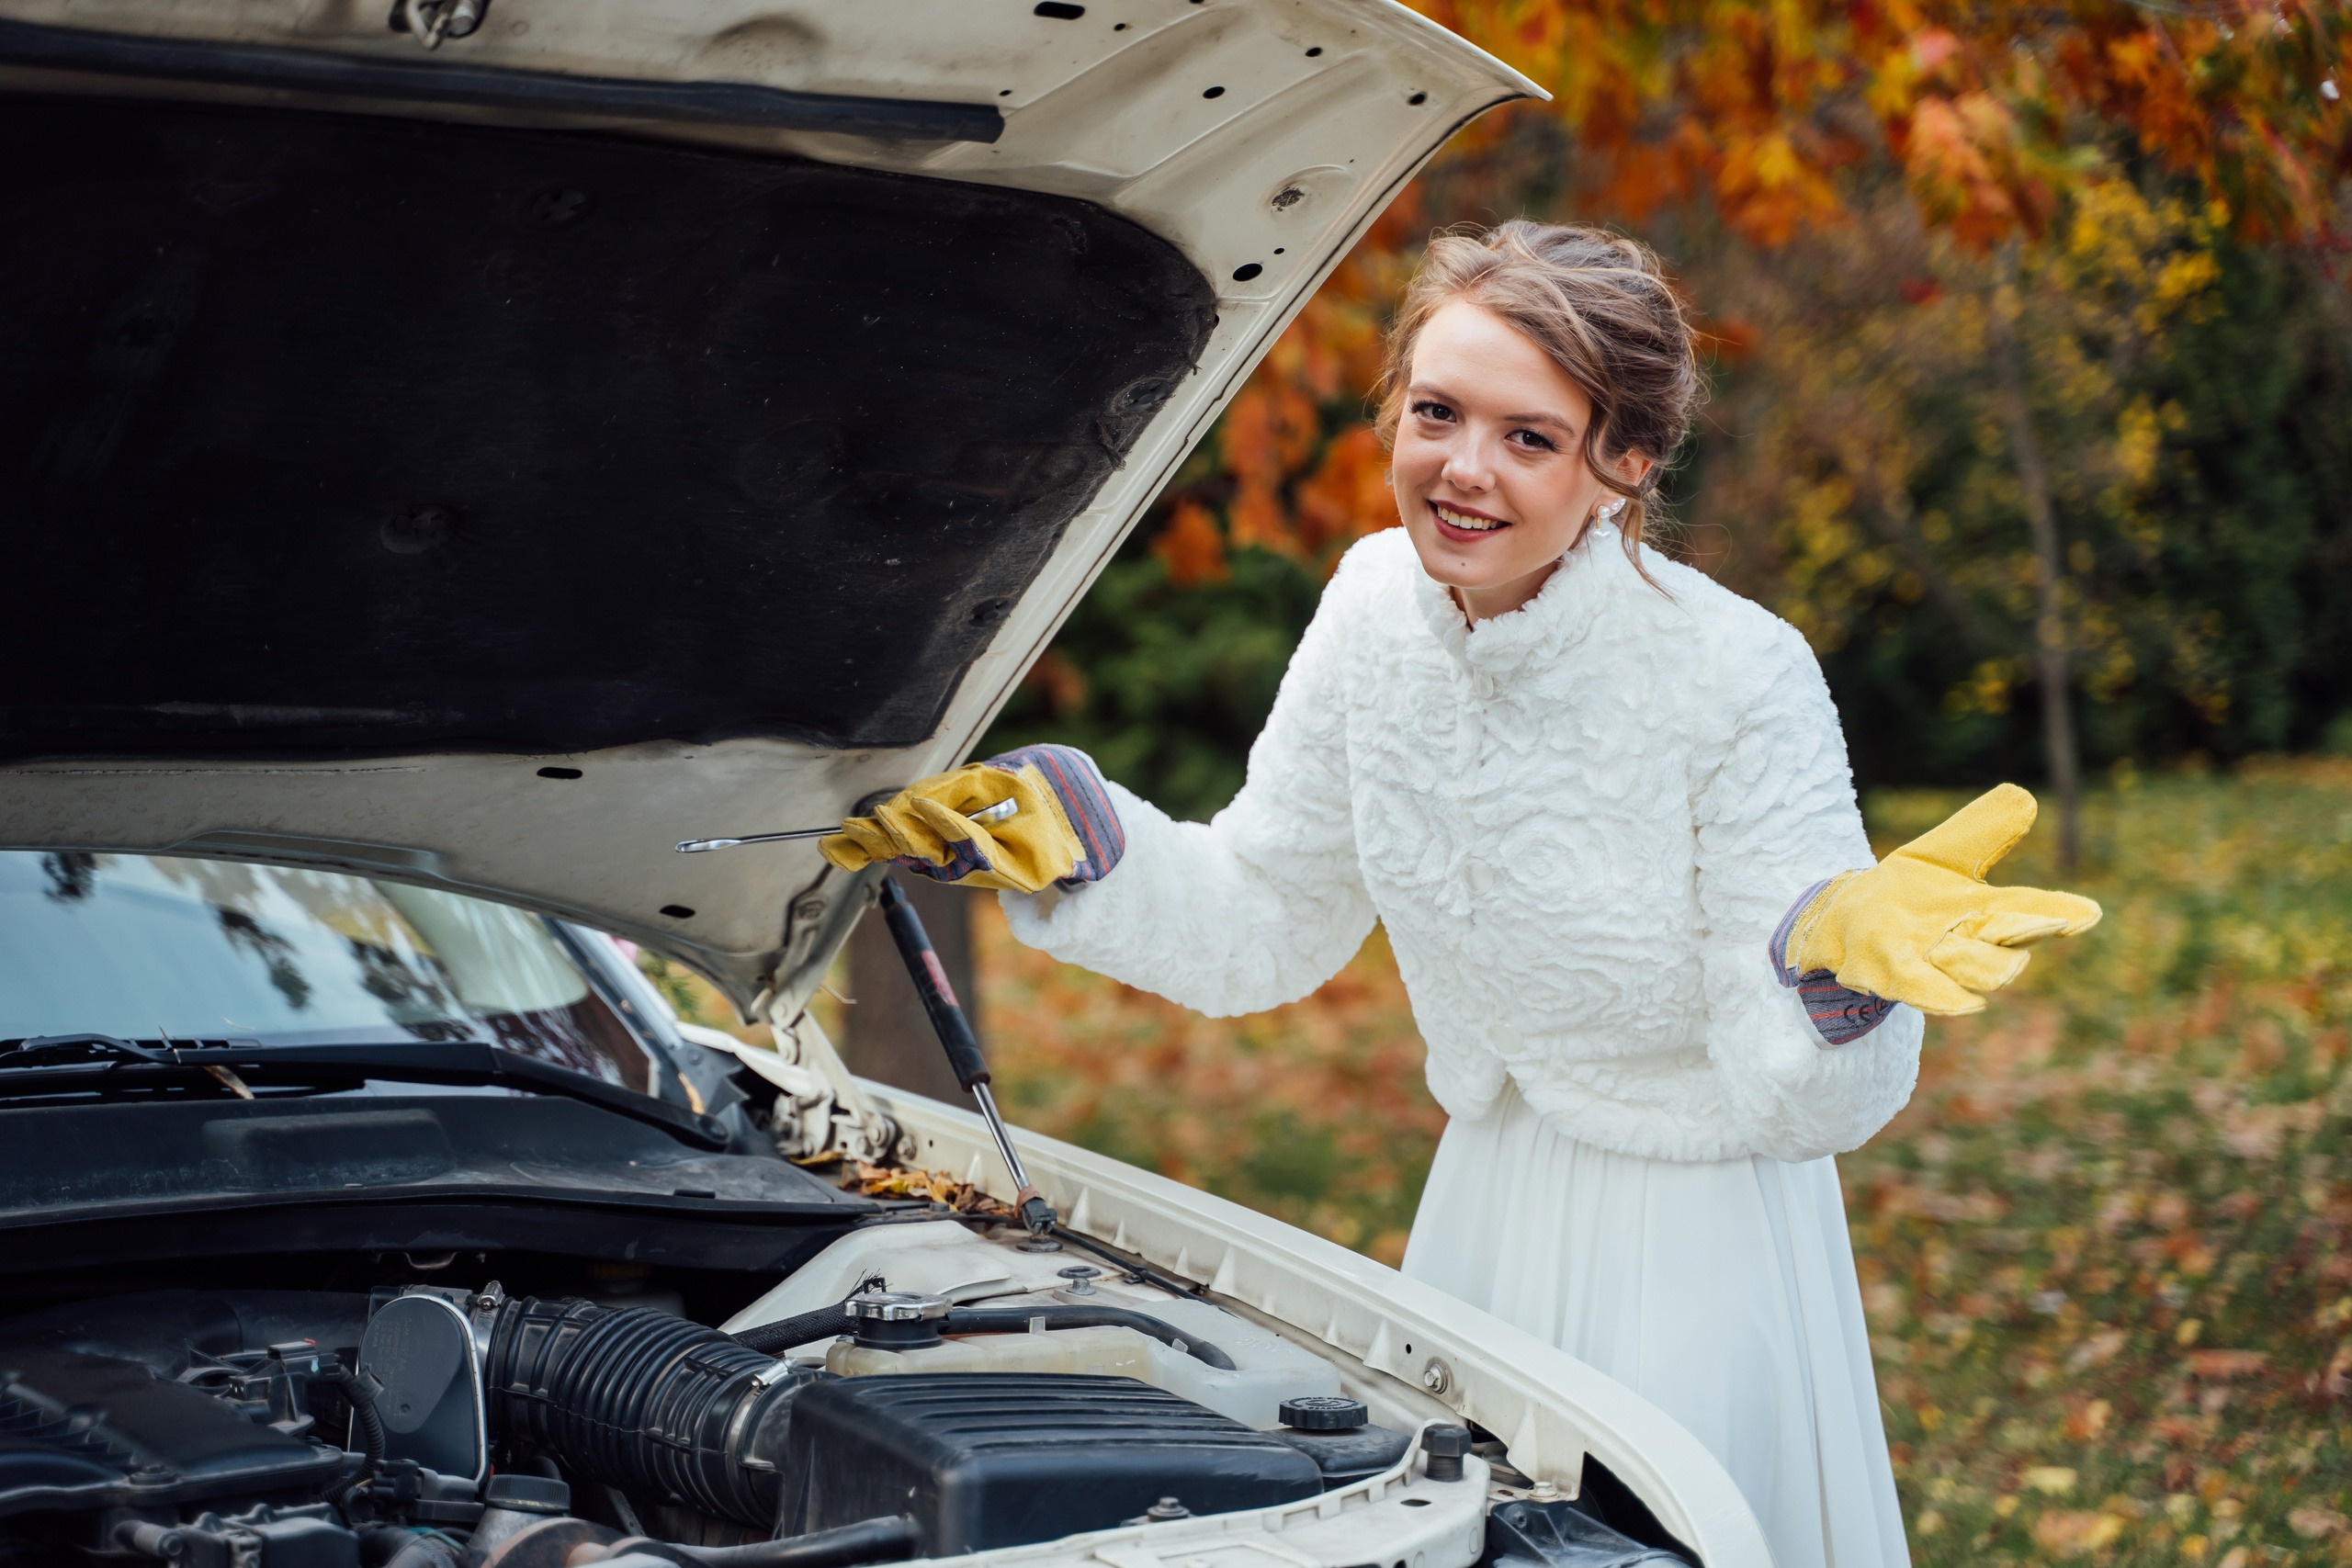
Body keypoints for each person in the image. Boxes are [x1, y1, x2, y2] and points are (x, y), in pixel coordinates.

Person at [820, 220, 2101, 1568]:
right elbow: (1270, 913)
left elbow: (1801, 1102)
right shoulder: (1372, 606)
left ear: (1626, 467)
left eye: (1529, 437)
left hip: (1697, 1238)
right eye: (1436, 413)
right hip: (1486, 1196)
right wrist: (1088, 842)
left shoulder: (1739, 674)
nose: (1463, 470)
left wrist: (1832, 968)